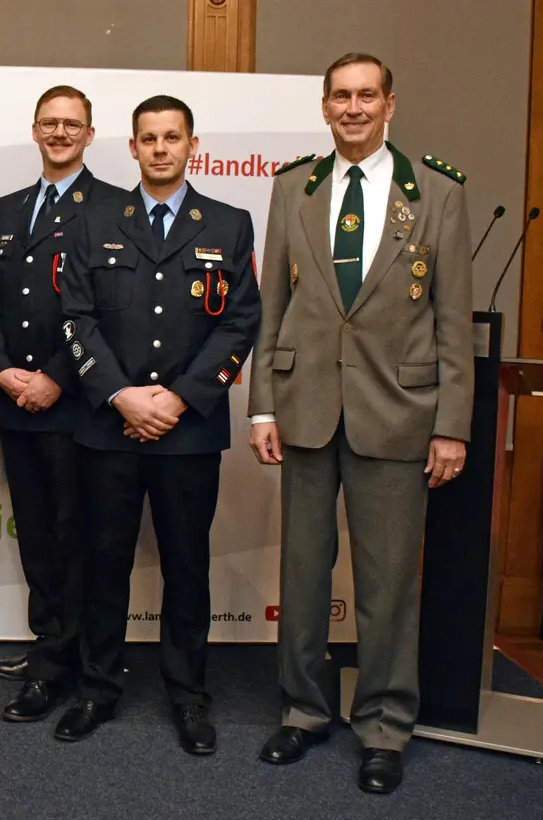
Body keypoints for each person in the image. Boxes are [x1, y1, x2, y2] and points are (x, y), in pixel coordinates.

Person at [247, 53, 473, 795]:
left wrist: (452, 425)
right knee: (304, 577)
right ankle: (305, 710)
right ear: (324, 107)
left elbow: (452, 320)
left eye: (366, 96)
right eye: (340, 96)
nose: (353, 108)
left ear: (390, 105)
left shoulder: (435, 192)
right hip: (307, 408)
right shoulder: (294, 188)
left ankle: (383, 726)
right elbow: (271, 307)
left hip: (399, 416)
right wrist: (262, 403)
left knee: (385, 587)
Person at [57, 95, 260, 752]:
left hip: (188, 430)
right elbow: (75, 317)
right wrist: (119, 394)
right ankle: (96, 687)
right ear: (133, 147)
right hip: (109, 427)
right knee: (102, 562)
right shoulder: (93, 221)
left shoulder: (228, 224)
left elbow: (240, 321)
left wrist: (179, 399)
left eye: (173, 138)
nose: (161, 148)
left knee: (186, 566)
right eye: (149, 138)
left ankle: (189, 694)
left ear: (192, 145)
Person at [0, 85, 127, 721]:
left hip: (77, 407)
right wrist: (2, 368)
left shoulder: (118, 209)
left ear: (90, 134)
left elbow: (110, 316)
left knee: (76, 537)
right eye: (50, 123)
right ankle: (49, 644)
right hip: (16, 402)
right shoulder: (10, 208)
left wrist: (58, 379)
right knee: (36, 536)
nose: (60, 133)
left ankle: (65, 662)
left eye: (73, 124)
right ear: (35, 130)